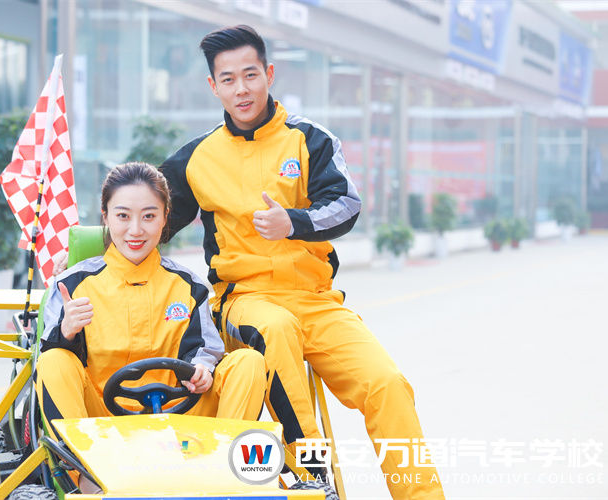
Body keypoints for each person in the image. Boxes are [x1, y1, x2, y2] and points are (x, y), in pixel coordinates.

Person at [157, 25, 445, 499]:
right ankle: (312, 477)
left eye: (250, 74)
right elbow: (147, 220)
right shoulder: (197, 158)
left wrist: (294, 222)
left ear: (269, 74)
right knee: (276, 329)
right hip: (246, 300)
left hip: (317, 301)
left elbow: (346, 205)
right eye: (228, 79)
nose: (241, 88)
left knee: (388, 384)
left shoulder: (309, 140)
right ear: (213, 86)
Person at [37, 162, 267, 491]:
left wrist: (202, 369)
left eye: (148, 216)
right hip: (102, 425)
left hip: (182, 420)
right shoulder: (72, 284)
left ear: (164, 217)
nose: (136, 230)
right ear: (105, 216)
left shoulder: (188, 285)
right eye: (123, 216)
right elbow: (53, 362)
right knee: (53, 361)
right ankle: (87, 481)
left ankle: (226, 478)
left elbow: (204, 348)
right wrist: (67, 331)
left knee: (248, 361)